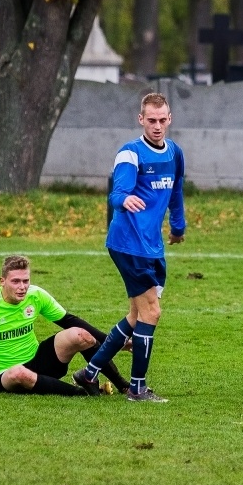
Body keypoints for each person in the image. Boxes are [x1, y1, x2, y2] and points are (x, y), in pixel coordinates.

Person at [72, 92, 186, 403]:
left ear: (170, 118)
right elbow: (116, 192)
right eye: (152, 120)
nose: (158, 126)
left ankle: (89, 372)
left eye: (163, 120)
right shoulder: (130, 154)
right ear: (141, 119)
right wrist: (123, 198)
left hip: (152, 245)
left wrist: (178, 227)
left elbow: (176, 192)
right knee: (152, 311)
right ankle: (137, 388)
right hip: (127, 243)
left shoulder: (174, 153)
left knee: (136, 316)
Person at [0, 255, 130, 396]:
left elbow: (69, 320)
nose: (22, 287)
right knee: (19, 373)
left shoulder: (36, 295)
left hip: (39, 361)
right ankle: (82, 393)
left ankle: (123, 385)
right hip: (5, 376)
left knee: (80, 334)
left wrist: (115, 342)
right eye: (15, 281)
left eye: (26, 281)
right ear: (2, 281)